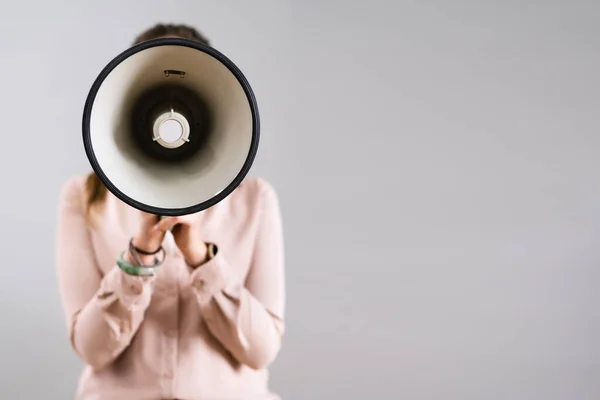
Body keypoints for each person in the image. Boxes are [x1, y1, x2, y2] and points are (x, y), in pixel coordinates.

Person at [55, 23, 286, 400]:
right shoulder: (84, 197)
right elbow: (93, 349)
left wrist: (200, 258)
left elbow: (261, 351)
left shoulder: (254, 199)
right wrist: (139, 257)